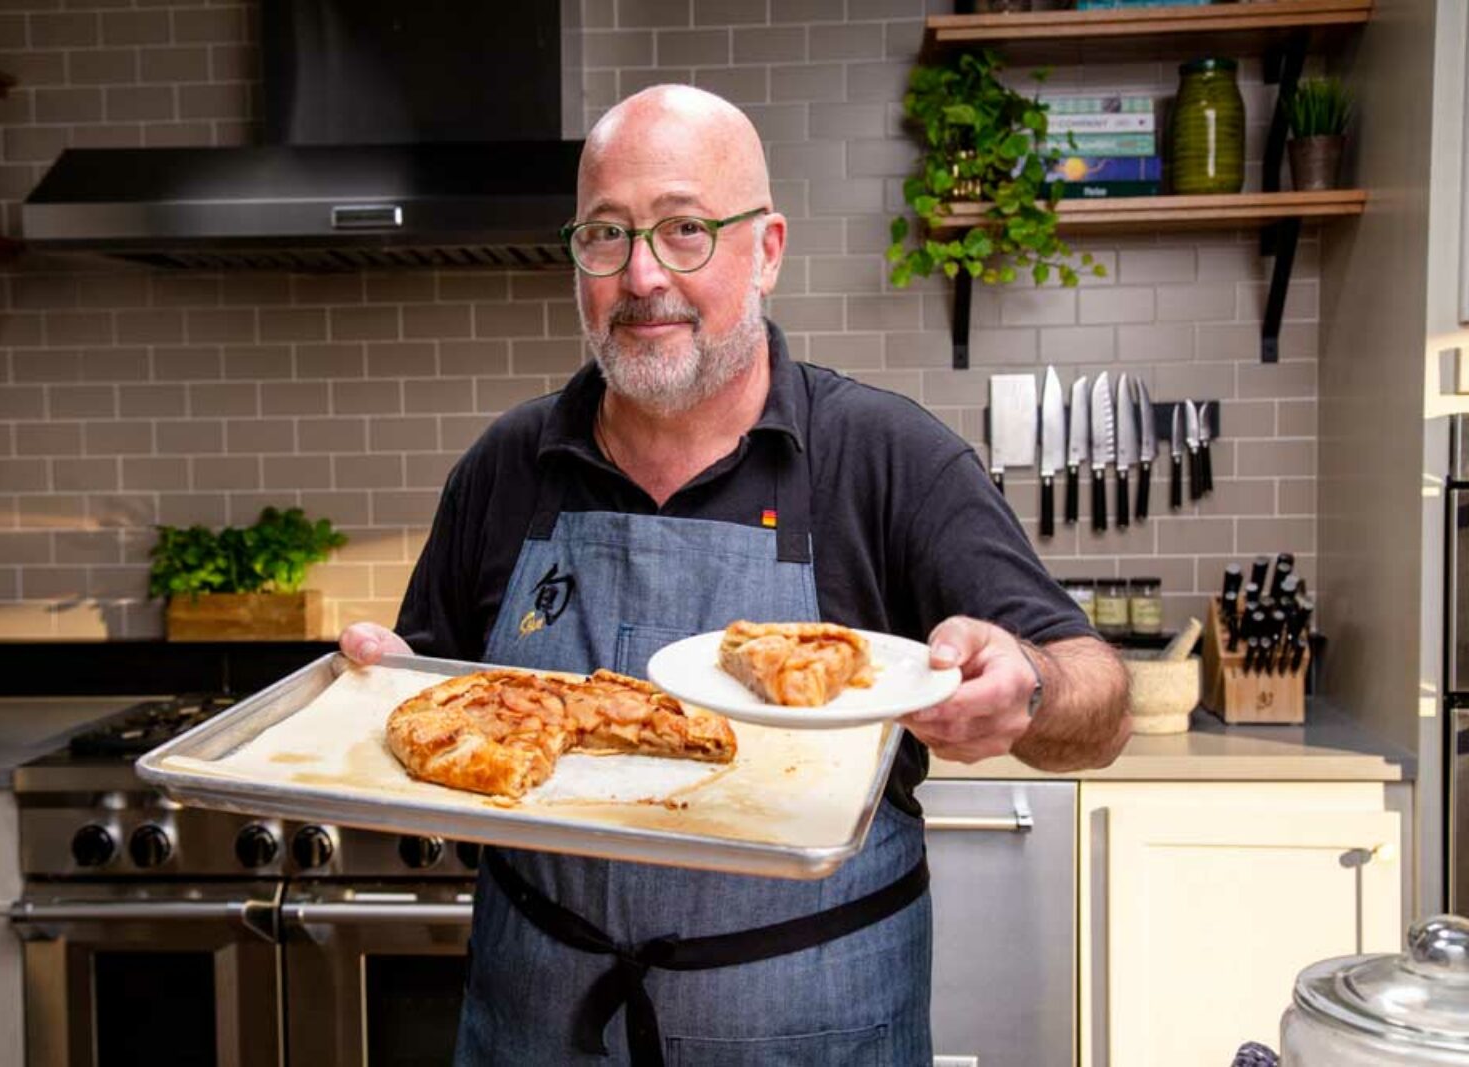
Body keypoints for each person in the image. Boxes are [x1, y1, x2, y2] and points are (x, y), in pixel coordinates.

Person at [342, 83, 1130, 1066]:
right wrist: (376, 682)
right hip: (535, 1020)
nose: (640, 277)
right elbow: (430, 696)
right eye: (605, 234)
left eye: (684, 230)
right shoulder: (507, 463)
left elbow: (1099, 701)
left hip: (817, 1025)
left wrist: (1032, 682)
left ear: (766, 251)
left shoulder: (886, 458)